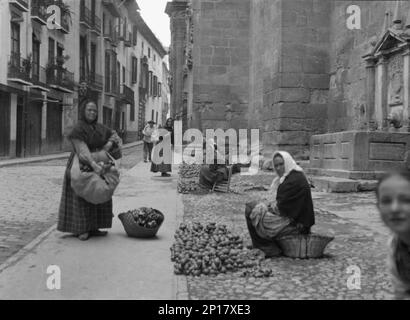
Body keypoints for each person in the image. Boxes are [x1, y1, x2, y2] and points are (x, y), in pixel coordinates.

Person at [57, 100, 122, 241]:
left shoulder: (100, 128)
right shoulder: (78, 129)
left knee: (99, 191)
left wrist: (108, 145)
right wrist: (94, 165)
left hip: (99, 162)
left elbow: (113, 135)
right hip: (81, 164)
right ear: (83, 111)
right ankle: (81, 229)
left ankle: (95, 227)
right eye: (89, 110)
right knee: (82, 196)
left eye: (94, 110)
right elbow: (82, 151)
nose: (92, 113)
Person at [245, 151, 315, 257]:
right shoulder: (293, 175)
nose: (278, 168)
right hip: (293, 220)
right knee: (255, 207)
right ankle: (263, 244)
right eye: (276, 165)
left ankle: (266, 247)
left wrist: (264, 207)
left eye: (281, 164)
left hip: (296, 226)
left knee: (250, 209)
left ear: (287, 162)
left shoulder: (292, 181)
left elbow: (279, 209)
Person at [376, 171, 410, 299]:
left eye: (406, 200)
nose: (394, 208)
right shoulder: (395, 246)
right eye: (386, 201)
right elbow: (401, 291)